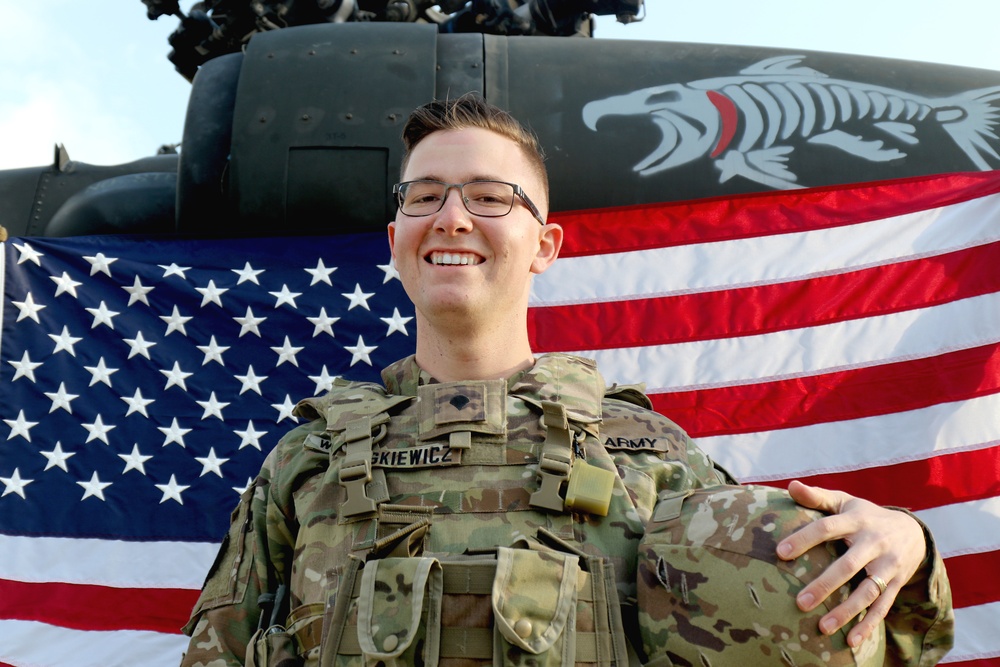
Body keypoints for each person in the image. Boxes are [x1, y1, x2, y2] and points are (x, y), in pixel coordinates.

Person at [180, 94, 953, 666]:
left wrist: (907, 545)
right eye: (424, 197)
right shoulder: (306, 459)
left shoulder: (646, 453)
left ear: (545, 243)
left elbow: (807, 611)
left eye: (487, 197)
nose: (450, 218)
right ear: (396, 238)